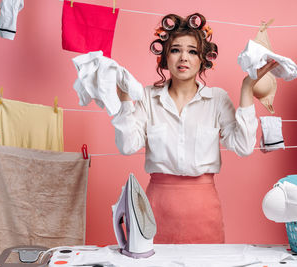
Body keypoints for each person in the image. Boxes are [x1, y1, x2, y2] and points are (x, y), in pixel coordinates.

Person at [112, 13, 278, 244]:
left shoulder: (217, 99)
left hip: (203, 211)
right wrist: (124, 101)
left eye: (192, 51)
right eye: (175, 50)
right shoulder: (148, 98)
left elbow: (243, 147)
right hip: (154, 209)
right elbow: (128, 146)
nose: (184, 58)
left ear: (203, 59)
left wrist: (247, 88)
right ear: (164, 57)